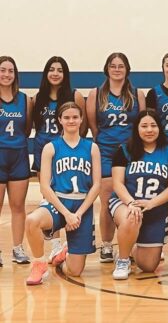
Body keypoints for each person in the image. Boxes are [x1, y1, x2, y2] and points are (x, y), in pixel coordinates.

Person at [24, 102, 101, 285]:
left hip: (81, 206)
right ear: (59, 120)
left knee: (74, 271)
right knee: (31, 221)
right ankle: (39, 264)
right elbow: (45, 187)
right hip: (58, 203)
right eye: (66, 117)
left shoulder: (92, 148)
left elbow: (96, 185)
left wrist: (78, 214)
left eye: (75, 117)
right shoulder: (51, 147)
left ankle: (63, 254)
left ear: (82, 119)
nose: (71, 120)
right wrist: (66, 214)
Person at [86, 52, 145, 263]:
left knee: (133, 196)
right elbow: (93, 125)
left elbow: (142, 123)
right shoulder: (96, 93)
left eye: (121, 66)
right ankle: (107, 244)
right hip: (106, 151)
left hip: (131, 152)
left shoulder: (137, 94)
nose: (117, 69)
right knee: (107, 200)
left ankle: (134, 241)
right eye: (113, 66)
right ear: (107, 68)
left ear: (127, 69)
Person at [108, 109, 168, 280]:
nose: (149, 130)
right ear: (137, 128)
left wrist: (151, 203)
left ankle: (130, 246)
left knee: (148, 266)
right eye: (144, 126)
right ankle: (123, 260)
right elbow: (117, 183)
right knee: (132, 217)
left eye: (153, 125)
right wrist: (131, 203)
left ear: (160, 128)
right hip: (124, 203)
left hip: (155, 209)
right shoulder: (124, 150)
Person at [32, 56, 86, 263]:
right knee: (48, 196)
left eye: (60, 70)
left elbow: (85, 125)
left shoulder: (75, 96)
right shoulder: (38, 98)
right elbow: (32, 126)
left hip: (67, 150)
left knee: (67, 193)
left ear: (65, 74)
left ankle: (68, 241)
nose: (55, 73)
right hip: (44, 150)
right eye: (51, 69)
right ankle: (55, 245)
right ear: (46, 73)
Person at [0, 56, 32, 266]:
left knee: (18, 206)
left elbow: (27, 128)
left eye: (10, 71)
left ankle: (17, 248)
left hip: (19, 155)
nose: (6, 74)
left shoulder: (25, 99)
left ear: (15, 74)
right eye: (2, 70)